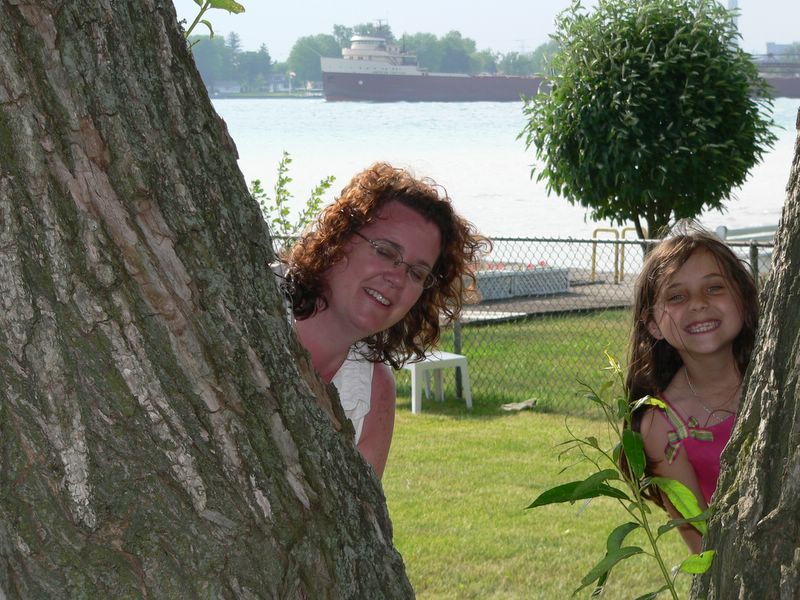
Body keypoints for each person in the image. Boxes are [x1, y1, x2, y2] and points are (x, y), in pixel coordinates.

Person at [280, 163, 488, 478]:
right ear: (340, 238)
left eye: (416, 273)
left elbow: (360, 506)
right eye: (385, 252)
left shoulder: (373, 388)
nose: (397, 278)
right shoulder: (251, 310)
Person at [625, 226, 758, 553]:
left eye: (714, 288)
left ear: (742, 298)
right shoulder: (661, 425)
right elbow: (702, 544)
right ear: (653, 324)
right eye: (677, 296)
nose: (699, 303)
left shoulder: (779, 375)